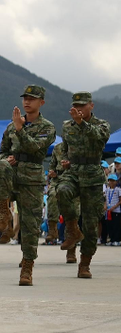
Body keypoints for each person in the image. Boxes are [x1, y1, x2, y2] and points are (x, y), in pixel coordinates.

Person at [0, 85, 56, 286]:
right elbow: (2, 151)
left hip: (32, 179)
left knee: (30, 226)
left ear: (41, 102)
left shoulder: (47, 127)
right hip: (11, 176)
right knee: (0, 166)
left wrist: (20, 129)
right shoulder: (11, 127)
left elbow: (35, 147)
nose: (27, 102)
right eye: (25, 98)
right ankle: (5, 214)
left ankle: (27, 266)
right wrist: (7, 159)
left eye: (32, 98)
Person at [57, 91, 111, 279]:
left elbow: (99, 139)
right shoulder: (66, 126)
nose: (78, 109)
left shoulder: (101, 124)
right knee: (61, 190)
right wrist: (64, 160)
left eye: (82, 105)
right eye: (76, 106)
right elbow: (63, 149)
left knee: (90, 225)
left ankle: (85, 263)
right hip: (73, 172)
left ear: (91, 106)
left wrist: (82, 124)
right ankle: (72, 229)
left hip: (92, 175)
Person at [103, 174, 121, 246]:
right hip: (108, 211)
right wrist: (105, 205)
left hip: (116, 211)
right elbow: (105, 199)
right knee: (109, 225)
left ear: (116, 182)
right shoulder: (107, 190)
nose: (111, 182)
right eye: (110, 181)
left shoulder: (118, 189)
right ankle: (111, 239)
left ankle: (117, 240)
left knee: (116, 225)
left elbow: (120, 200)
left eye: (113, 181)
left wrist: (114, 206)